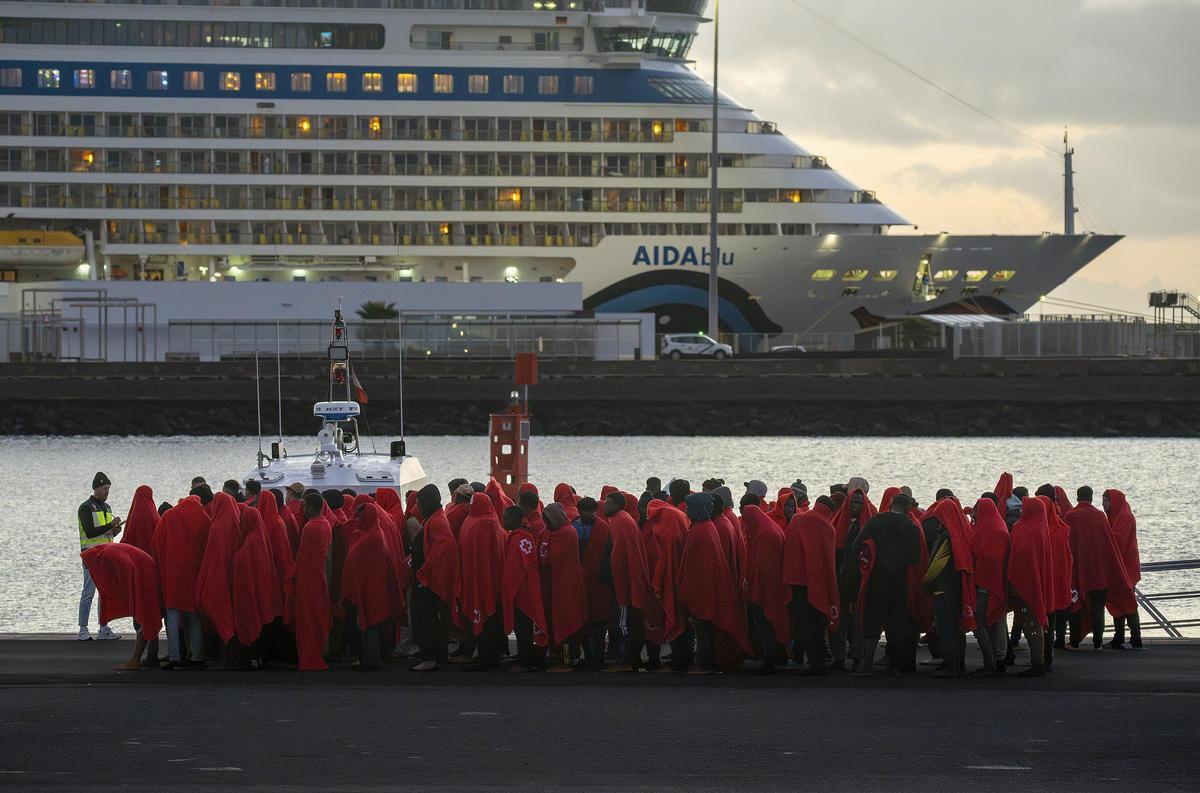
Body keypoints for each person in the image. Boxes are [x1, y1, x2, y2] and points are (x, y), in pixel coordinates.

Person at [846, 492, 922, 676]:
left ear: (890, 504)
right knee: (896, 624)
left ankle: (867, 665)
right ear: (907, 509)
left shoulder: (877, 521)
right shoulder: (911, 527)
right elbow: (915, 558)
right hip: (899, 581)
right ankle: (895, 666)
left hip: (877, 579)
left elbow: (857, 545)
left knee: (872, 622)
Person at [677, 493, 752, 673]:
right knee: (706, 630)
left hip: (703, 591)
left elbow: (697, 567)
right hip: (709, 589)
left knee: (703, 630)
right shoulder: (710, 527)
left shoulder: (701, 531)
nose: (686, 510)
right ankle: (707, 660)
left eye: (689, 507)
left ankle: (705, 662)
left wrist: (685, 589)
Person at [340, 504, 405, 671]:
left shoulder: (369, 538)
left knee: (368, 624)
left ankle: (370, 660)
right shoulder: (376, 533)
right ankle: (372, 658)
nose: (357, 520)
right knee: (372, 623)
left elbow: (356, 562)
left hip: (369, 589)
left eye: (360, 517)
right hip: (374, 588)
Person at [1063, 486, 1128, 651]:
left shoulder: (1070, 516)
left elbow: (1068, 545)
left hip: (1078, 571)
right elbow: (1109, 545)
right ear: (1091, 498)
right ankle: (1097, 642)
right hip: (1099, 573)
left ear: (1077, 498)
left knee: (1076, 607)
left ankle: (1075, 641)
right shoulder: (1100, 516)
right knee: (1098, 609)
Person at [80, 543, 162, 671]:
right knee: (144, 614)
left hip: (143, 572)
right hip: (143, 567)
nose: (88, 570)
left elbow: (126, 566)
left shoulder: (108, 554)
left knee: (141, 616)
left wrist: (131, 595)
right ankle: (152, 657)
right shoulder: (104, 552)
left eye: (87, 566)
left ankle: (135, 661)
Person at [153, 492, 212, 669]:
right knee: (194, 618)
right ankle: (196, 656)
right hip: (194, 575)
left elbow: (156, 543)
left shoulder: (170, 516)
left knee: (172, 616)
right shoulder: (203, 518)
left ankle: (174, 657)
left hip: (172, 575)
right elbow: (209, 545)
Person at [782, 495, 840, 674]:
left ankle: (797, 657)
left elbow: (790, 548)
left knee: (799, 621)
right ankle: (817, 659)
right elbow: (827, 562)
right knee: (816, 623)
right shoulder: (828, 527)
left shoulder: (798, 519)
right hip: (817, 581)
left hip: (796, 579)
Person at [920, 499, 976, 678]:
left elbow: (936, 566)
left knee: (946, 629)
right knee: (957, 629)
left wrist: (925, 584)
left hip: (942, 590)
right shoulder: (961, 533)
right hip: (957, 588)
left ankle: (951, 667)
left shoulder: (946, 537)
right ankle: (959, 666)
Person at [601, 492, 655, 672]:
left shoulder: (621, 521)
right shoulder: (622, 520)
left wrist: (616, 580)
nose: (604, 506)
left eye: (608, 503)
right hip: (626, 580)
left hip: (624, 582)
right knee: (629, 622)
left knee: (624, 624)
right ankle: (631, 659)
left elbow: (619, 556)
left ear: (618, 505)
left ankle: (626, 661)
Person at [409, 484, 459, 672]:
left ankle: (431, 656)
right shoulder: (434, 518)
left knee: (426, 618)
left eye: (420, 503)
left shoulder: (437, 521)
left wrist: (424, 573)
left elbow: (444, 548)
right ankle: (435, 653)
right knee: (431, 618)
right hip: (427, 578)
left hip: (428, 581)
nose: (418, 508)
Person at [456, 492, 506, 670]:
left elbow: (484, 556)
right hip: (481, 579)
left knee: (489, 620)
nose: (469, 507)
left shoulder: (483, 524)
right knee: (489, 619)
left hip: (484, 580)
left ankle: (489, 657)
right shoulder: (484, 522)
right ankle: (488, 654)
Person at [741, 493, 789, 674]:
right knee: (774, 622)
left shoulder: (764, 535)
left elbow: (763, 568)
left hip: (767, 589)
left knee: (766, 623)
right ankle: (777, 656)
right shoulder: (769, 529)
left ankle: (770, 659)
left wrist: (755, 592)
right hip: (774, 585)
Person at [538, 502, 587, 672]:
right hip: (552, 586)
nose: (546, 523)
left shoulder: (567, 533)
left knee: (567, 623)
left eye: (549, 520)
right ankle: (555, 653)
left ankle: (567, 660)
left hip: (566, 586)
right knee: (554, 622)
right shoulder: (548, 533)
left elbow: (557, 558)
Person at [288, 491, 334, 671]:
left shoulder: (310, 527)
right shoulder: (325, 524)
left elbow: (302, 557)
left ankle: (309, 656)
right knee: (316, 616)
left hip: (307, 580)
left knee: (306, 619)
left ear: (309, 507)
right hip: (318, 576)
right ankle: (316, 653)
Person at [1008, 497, 1051, 677]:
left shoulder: (1022, 528)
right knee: (1035, 621)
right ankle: (1039, 660)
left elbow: (1017, 554)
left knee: (1031, 622)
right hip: (1037, 581)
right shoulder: (1042, 528)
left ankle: (1037, 664)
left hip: (1024, 581)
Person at [77, 472, 123, 641]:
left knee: (105, 593)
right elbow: (90, 532)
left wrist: (115, 530)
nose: (107, 492)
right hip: (91, 554)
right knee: (89, 591)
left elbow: (105, 531)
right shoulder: (85, 507)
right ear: (96, 488)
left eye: (108, 489)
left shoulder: (107, 507)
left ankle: (103, 627)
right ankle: (83, 628)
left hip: (106, 554)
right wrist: (108, 526)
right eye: (104, 489)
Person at [501, 504, 547, 672]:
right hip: (528, 588)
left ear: (518, 520)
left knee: (523, 627)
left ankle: (525, 661)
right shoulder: (523, 537)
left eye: (507, 518)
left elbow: (514, 570)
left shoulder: (518, 539)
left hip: (521, 591)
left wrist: (509, 591)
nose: (503, 521)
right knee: (524, 626)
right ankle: (525, 657)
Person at [969, 498, 1011, 675]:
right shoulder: (1001, 529)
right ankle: (1000, 658)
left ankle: (989, 661)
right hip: (999, 585)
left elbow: (976, 554)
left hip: (983, 585)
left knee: (979, 623)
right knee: (998, 621)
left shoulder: (982, 531)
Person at [1103, 489, 1144, 650]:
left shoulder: (1125, 518)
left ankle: (1136, 638)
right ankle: (1119, 638)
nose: (1103, 504)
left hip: (1126, 568)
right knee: (1116, 602)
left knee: (1127, 602)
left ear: (1114, 502)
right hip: (1118, 568)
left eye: (1106, 501)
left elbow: (1116, 541)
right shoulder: (1114, 516)